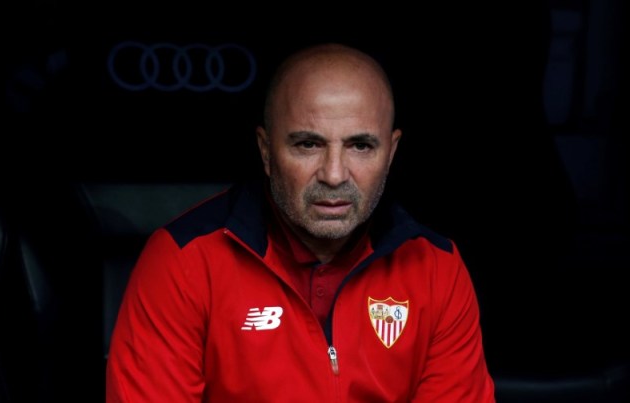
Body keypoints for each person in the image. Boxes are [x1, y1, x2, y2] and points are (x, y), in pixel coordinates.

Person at [105, 42, 495, 402]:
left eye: (361, 146)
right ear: (266, 150)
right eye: (308, 144)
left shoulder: (435, 268)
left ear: (390, 153)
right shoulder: (184, 262)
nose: (334, 174)